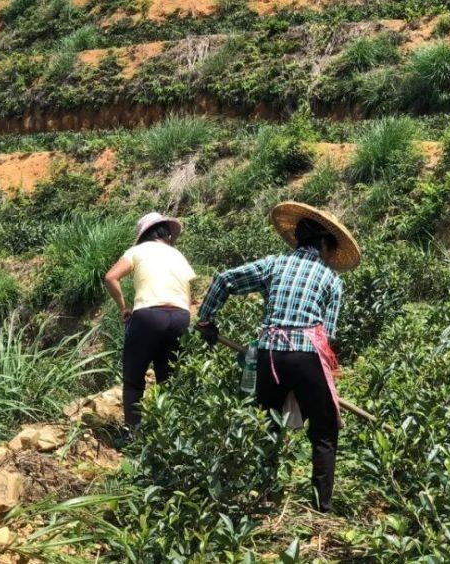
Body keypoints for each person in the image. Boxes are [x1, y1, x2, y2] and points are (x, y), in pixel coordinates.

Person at [197, 202, 361, 513]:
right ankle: (321, 506)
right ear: (325, 244)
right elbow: (330, 335)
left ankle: (264, 494)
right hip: (307, 354)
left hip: (269, 354)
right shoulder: (331, 280)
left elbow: (224, 280)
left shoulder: (275, 264)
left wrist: (206, 321)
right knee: (324, 431)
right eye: (330, 250)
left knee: (268, 424)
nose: (330, 257)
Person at [104, 212, 195, 431]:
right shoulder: (178, 256)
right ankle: (171, 434)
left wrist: (123, 307)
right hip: (180, 317)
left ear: (145, 235)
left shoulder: (138, 250)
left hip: (149, 315)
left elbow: (110, 277)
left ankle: (132, 436)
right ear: (167, 235)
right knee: (169, 378)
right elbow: (189, 298)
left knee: (134, 379)